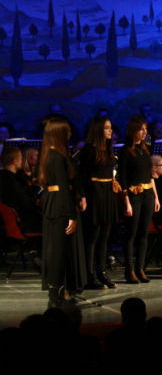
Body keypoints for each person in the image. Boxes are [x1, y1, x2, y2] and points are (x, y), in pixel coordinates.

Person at [39, 115, 87, 308]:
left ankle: (58, 291)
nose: (70, 133)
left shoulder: (48, 154)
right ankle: (57, 293)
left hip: (53, 204)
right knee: (58, 252)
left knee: (56, 250)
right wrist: (72, 216)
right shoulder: (57, 157)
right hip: (60, 206)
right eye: (67, 130)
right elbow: (63, 188)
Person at [79, 116, 119, 289]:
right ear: (98, 130)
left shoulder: (108, 149)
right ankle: (89, 276)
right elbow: (82, 176)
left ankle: (101, 272)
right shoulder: (89, 150)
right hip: (95, 194)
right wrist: (82, 196)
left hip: (108, 193)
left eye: (110, 127)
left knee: (104, 237)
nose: (110, 130)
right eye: (107, 128)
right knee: (92, 237)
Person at [119, 115, 160, 284]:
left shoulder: (145, 149)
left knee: (144, 233)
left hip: (148, 194)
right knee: (131, 233)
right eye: (141, 129)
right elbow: (122, 178)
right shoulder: (125, 151)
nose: (144, 132)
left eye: (146, 129)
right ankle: (129, 270)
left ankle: (140, 268)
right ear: (133, 131)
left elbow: (150, 176)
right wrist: (126, 202)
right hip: (134, 195)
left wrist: (156, 197)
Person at [0, 146, 41, 232]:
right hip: (22, 223)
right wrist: (37, 197)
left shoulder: (4, 177)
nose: (22, 162)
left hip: (10, 223)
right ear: (15, 161)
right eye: (21, 159)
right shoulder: (11, 180)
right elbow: (26, 203)